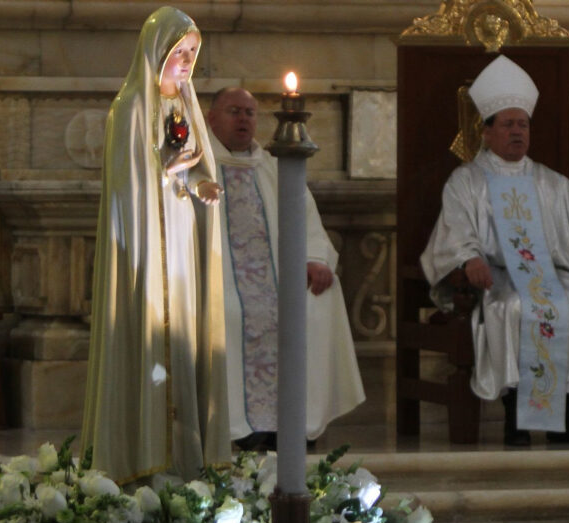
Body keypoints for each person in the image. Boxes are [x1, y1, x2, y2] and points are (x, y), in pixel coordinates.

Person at [421, 55, 569, 447]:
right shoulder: (467, 181)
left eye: (522, 124)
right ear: (487, 132)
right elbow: (456, 230)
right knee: (514, 308)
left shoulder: (551, 183)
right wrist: (468, 258)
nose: (517, 132)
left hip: (555, 273)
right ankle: (516, 419)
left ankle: (564, 417)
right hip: (499, 276)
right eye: (507, 124)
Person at [80, 7, 230, 485]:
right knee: (150, 335)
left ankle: (187, 458)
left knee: (184, 337)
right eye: (178, 53)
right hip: (147, 244)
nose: (186, 63)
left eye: (191, 54)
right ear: (155, 53)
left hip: (182, 238)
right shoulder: (130, 108)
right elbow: (127, 188)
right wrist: (164, 172)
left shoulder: (187, 104)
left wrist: (203, 184)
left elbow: (201, 164)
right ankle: (145, 459)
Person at [206, 87, 365, 451]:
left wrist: (317, 259)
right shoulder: (198, 167)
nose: (244, 119)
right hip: (220, 280)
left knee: (313, 303)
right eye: (234, 111)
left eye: (249, 112)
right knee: (228, 312)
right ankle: (242, 427)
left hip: (279, 280)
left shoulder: (274, 166)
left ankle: (293, 424)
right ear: (212, 118)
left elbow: (308, 220)